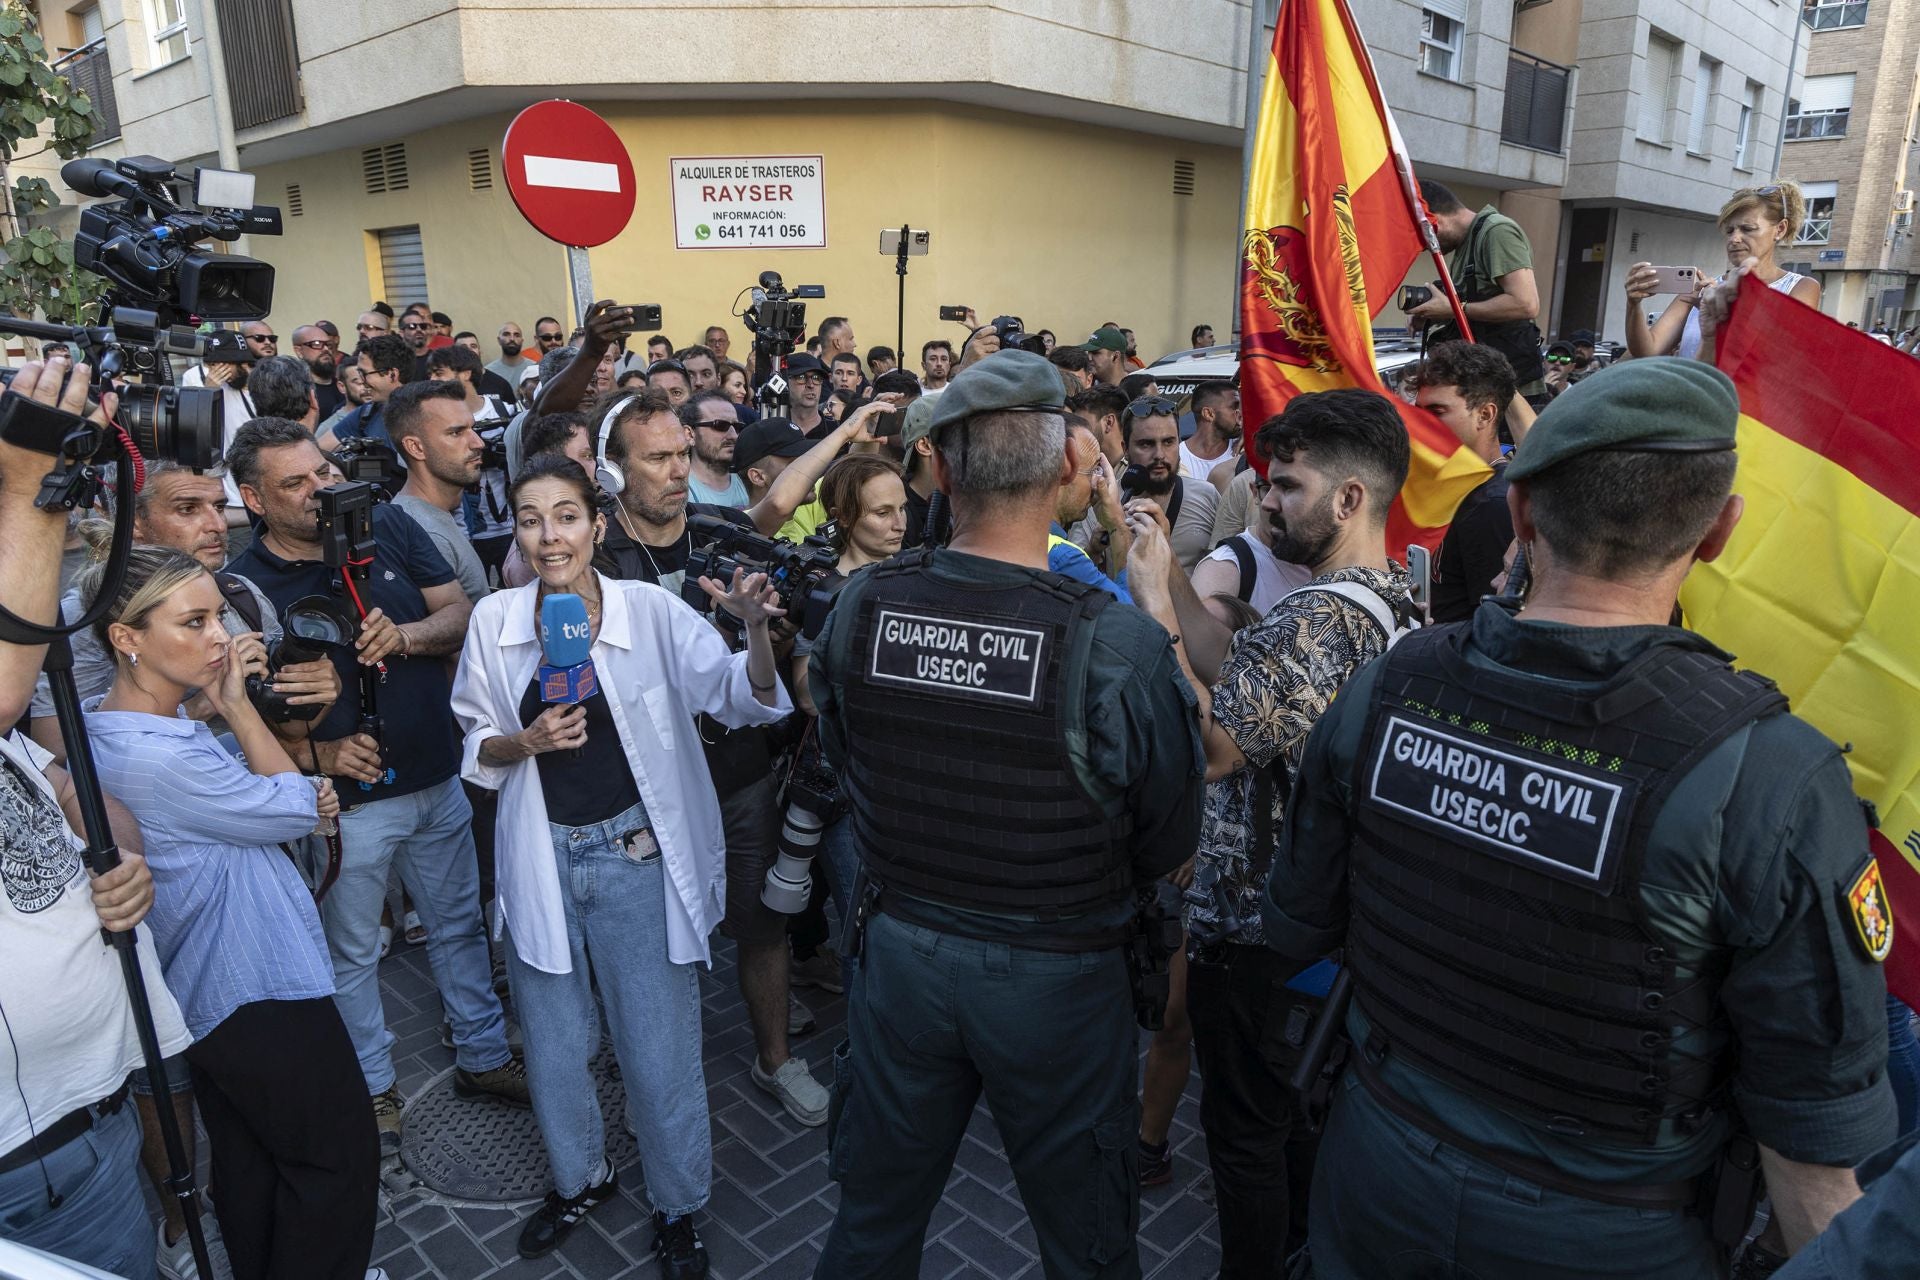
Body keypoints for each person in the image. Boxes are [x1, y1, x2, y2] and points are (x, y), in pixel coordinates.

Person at [1263, 358, 1896, 1278]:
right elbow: (1812, 1150)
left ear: (1521, 516)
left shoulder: (1390, 686)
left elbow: (1300, 921)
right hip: (1610, 1233)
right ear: (1719, 532)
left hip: (1380, 1172)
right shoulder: (1771, 776)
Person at [809, 350, 1206, 1279]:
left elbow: (841, 748)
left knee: (871, 1224)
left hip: (903, 953)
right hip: (1058, 978)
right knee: (1087, 1245)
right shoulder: (1115, 641)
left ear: (940, 471)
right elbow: (1169, 837)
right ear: (1072, 464)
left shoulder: (865, 601)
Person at [452, 454, 791, 1273]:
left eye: (566, 516)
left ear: (597, 526)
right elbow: (475, 740)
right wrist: (525, 741)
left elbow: (739, 700)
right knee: (557, 1045)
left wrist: (751, 629)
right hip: (541, 862)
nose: (548, 535)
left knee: (657, 1048)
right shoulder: (495, 622)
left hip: (635, 859)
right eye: (530, 518)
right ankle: (581, 1178)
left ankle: (679, 1207)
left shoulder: (650, 610)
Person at [1124, 388, 1415, 1275]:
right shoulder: (1376, 601)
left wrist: (1154, 614)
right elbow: (1236, 669)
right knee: (1287, 1124)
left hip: (1260, 935)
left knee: (1247, 1137)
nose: (1269, 503)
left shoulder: (1324, 619)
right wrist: (1170, 571)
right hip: (1303, 931)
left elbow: (1213, 745)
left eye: (1288, 487)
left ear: (1352, 498)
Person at [225, 418, 527, 1155]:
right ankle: (373, 1088)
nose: (320, 492)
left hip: (435, 775)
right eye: (294, 484)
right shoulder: (242, 587)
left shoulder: (384, 521)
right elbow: (233, 714)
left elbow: (460, 612)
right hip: (348, 812)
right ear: (253, 499)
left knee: (458, 928)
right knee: (354, 956)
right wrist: (318, 751)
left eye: (321, 472)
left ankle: (484, 1059)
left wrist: (408, 636)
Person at [80, 547, 379, 1280]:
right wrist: (241, 709)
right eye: (195, 621)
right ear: (126, 638)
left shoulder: (109, 725)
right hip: (258, 986)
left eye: (218, 615)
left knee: (250, 1164)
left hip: (210, 989)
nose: (221, 637)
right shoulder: (160, 757)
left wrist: (271, 776)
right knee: (337, 1160)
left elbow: (289, 803)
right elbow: (302, 806)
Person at [1625, 183, 1822, 364]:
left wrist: (1721, 313)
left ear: (1779, 229)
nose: (1735, 239)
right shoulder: (1700, 290)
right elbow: (1647, 351)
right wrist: (1634, 305)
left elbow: (1781, 355)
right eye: (1729, 231)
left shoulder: (1801, 287)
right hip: (1692, 400)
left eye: (1747, 229)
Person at [1408, 179, 1546, 404]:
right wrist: (1433, 315)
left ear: (1436, 222)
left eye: (1425, 239)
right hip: (1484, 388)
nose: (1427, 248)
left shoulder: (1497, 232)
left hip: (1513, 397)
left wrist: (1454, 309)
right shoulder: (1466, 245)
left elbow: (1526, 304)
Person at [1415, 341, 1517, 623]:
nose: (1420, 422)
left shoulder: (1495, 504)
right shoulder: (1436, 485)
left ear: (1485, 415)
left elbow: (1490, 624)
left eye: (1436, 411)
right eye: (1418, 410)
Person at [1121, 396, 1218, 571]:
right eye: (1146, 444)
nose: (1159, 454)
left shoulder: (1206, 496)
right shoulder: (1104, 503)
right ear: (1125, 449)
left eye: (1168, 442)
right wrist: (1095, 550)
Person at [1048, 420, 1132, 602]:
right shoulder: (1064, 558)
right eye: (1094, 469)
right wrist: (1118, 524)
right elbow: (1131, 617)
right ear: (1066, 468)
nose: (1097, 484)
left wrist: (1092, 552)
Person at [683, 391, 749, 508]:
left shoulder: (751, 483)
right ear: (690, 434)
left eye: (737, 427)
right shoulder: (679, 492)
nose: (733, 435)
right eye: (720, 425)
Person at [1179, 383, 1241, 481]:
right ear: (1208, 414)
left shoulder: (1242, 451)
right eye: (1234, 407)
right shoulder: (1177, 457)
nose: (1240, 414)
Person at [488, 322, 537, 390]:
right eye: (506, 334)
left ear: (522, 341)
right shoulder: (489, 371)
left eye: (517, 335)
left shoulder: (534, 368)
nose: (512, 339)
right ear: (499, 340)